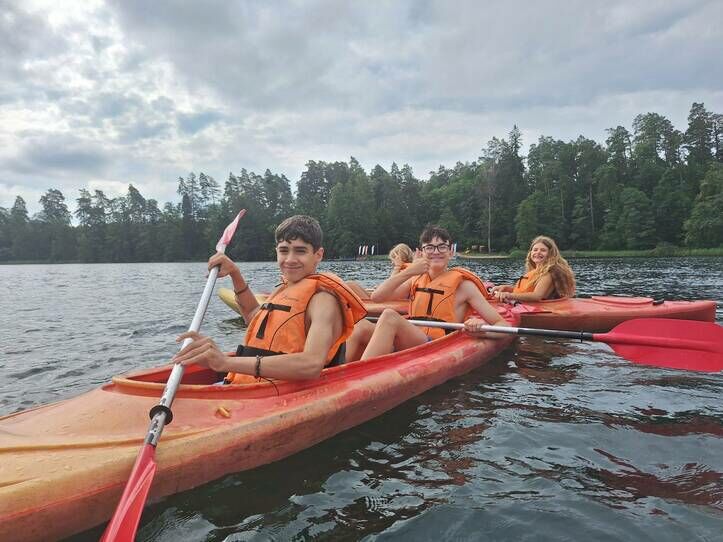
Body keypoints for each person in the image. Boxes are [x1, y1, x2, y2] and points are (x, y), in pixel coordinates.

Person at [173, 215, 367, 383]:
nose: (290, 259)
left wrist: (224, 362)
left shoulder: (323, 300)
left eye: (300, 251)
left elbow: (311, 364)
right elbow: (252, 315)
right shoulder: (285, 288)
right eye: (284, 250)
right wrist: (235, 274)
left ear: (318, 254)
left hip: (285, 394)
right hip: (252, 387)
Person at [346, 225, 509, 361]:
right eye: (429, 247)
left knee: (389, 316)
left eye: (442, 247)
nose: (436, 252)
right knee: (361, 326)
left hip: (437, 344)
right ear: (422, 253)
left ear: (451, 252)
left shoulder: (465, 286)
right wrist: (408, 271)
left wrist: (482, 330)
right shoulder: (415, 278)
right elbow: (377, 297)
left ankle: (360, 375)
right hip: (413, 336)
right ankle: (338, 372)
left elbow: (502, 325)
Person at [491, 235, 576, 303]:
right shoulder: (536, 271)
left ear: (550, 254)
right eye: (535, 250)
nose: (538, 252)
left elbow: (536, 295)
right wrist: (507, 288)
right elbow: (526, 291)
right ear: (530, 253)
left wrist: (508, 295)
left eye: (543, 250)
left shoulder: (548, 273)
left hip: (540, 309)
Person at [345, 242, 414, 300]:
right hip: (383, 299)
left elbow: (390, 285)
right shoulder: (410, 270)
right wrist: (380, 288)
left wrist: (397, 267)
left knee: (350, 285)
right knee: (351, 284)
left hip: (382, 302)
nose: (392, 263)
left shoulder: (405, 273)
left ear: (398, 259)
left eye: (393, 260)